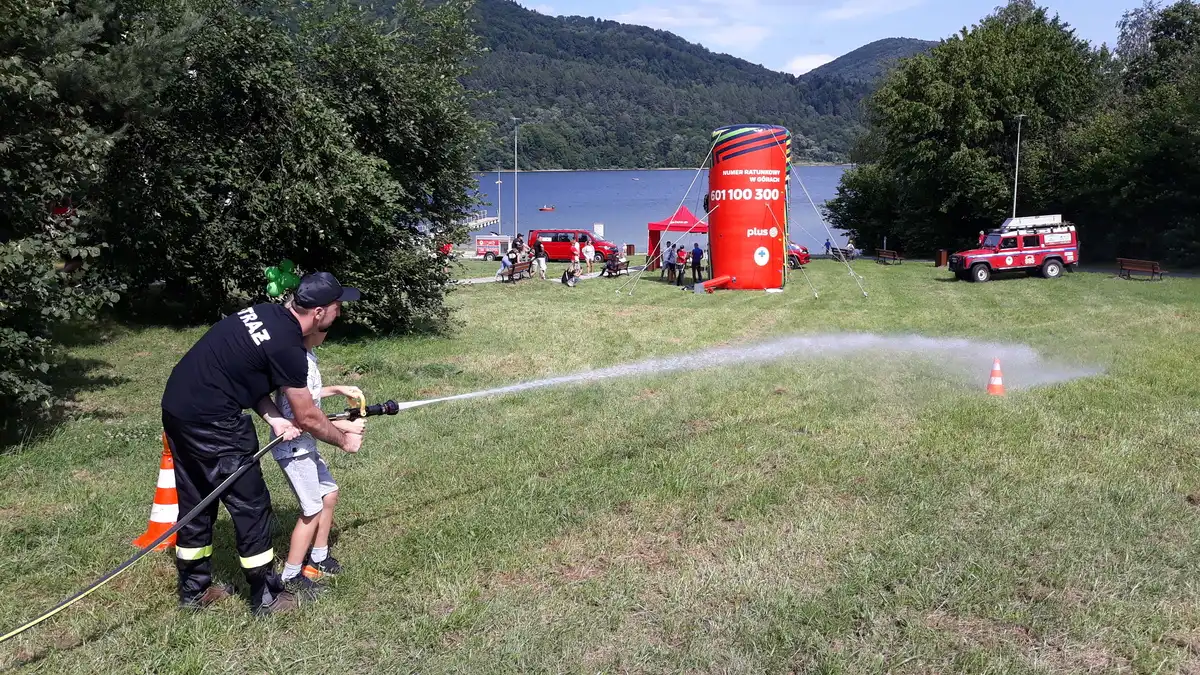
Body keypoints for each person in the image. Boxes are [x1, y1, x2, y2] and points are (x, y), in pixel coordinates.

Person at [160, 271, 363, 616]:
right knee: (251, 507)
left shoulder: (266, 314)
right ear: (317, 313)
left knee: (197, 503)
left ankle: (194, 591)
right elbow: (310, 416)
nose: (339, 314)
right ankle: (267, 597)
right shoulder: (289, 347)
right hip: (214, 423)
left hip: (178, 408)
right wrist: (344, 439)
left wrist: (272, 417)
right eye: (336, 307)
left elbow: (246, 374)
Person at [270, 328, 363, 589]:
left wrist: (336, 389)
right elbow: (305, 418)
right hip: (293, 449)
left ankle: (319, 557)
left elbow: (309, 396)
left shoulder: (309, 356)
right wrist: (344, 427)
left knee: (329, 494)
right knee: (312, 509)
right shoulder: (298, 361)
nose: (327, 332)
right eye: (323, 329)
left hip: (305, 445)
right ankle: (291, 575)